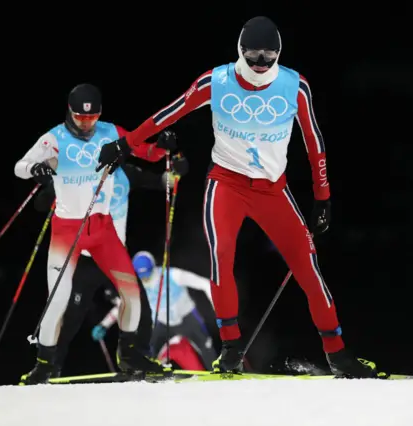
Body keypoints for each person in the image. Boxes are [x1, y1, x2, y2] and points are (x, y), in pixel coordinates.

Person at [94, 16, 385, 378]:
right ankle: (230, 349)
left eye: (269, 56)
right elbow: (168, 113)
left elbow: (316, 143)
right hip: (226, 185)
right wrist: (126, 144)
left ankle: (338, 354)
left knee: (308, 268)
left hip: (272, 190)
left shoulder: (295, 86)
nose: (261, 63)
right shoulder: (216, 81)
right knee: (221, 256)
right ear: (239, 51)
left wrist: (322, 197)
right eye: (253, 56)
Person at [14, 83, 176, 384]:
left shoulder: (111, 132)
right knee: (58, 300)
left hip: (103, 230)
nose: (87, 123)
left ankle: (131, 358)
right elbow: (19, 167)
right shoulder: (54, 139)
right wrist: (35, 169)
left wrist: (164, 146)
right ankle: (44, 366)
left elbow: (148, 152)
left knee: (133, 295)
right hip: (67, 233)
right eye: (80, 117)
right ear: (70, 112)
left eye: (92, 117)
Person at [31, 152, 189, 376]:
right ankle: (49, 366)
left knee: (141, 308)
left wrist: (177, 168)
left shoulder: (127, 173)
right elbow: (41, 203)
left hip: (115, 257)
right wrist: (49, 182)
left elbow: (164, 182)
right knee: (70, 316)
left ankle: (136, 360)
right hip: (85, 259)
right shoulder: (79, 177)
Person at [92, 251, 218, 370]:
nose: (145, 280)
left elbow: (205, 284)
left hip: (187, 319)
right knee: (147, 353)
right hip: (162, 324)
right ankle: (149, 380)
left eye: (147, 275)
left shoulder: (172, 275)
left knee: (206, 348)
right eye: (141, 277)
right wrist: (104, 325)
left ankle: (217, 374)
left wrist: (217, 308)